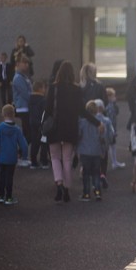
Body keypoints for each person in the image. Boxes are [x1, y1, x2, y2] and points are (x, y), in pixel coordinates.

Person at [46, 61, 102, 203]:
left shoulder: (53, 88)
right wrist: (97, 122)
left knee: (54, 157)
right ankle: (67, 188)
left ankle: (58, 182)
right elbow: (82, 111)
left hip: (55, 127)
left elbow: (47, 109)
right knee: (67, 159)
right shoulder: (76, 89)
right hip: (70, 128)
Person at [0, 104, 28, 206]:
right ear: (14, 114)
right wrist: (24, 155)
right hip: (12, 157)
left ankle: (0, 195)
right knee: (9, 177)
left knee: (2, 175)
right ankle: (9, 197)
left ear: (3, 114)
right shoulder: (17, 129)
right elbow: (23, 144)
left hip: (1, 157)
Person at [77, 100, 107, 202]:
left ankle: (86, 193)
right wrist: (103, 151)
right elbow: (102, 138)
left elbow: (79, 136)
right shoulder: (100, 123)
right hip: (96, 151)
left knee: (86, 173)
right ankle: (98, 192)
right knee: (96, 173)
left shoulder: (81, 122)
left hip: (85, 151)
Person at [11, 57, 33, 167]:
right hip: (23, 108)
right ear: (18, 64)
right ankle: (20, 156)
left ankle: (22, 156)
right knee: (27, 135)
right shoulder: (18, 78)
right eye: (24, 63)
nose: (26, 65)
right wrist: (35, 100)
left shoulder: (23, 76)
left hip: (25, 108)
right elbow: (26, 94)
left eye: (27, 63)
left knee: (27, 134)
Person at [28, 81, 49, 169]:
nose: (45, 90)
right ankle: (44, 161)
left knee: (34, 142)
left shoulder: (30, 99)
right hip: (41, 123)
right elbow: (45, 112)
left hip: (32, 122)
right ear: (40, 89)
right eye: (44, 88)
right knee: (44, 142)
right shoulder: (43, 100)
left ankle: (33, 161)